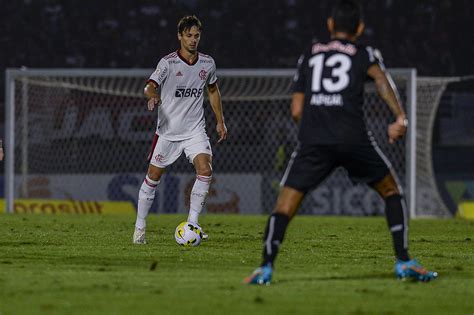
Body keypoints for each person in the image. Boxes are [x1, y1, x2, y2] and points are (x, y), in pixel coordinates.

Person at [244, 0, 437, 284]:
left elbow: (296, 110)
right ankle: (404, 261)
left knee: (284, 207)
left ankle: (265, 268)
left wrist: (316, 130)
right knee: (391, 191)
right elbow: (382, 82)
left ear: (330, 25)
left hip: (314, 142)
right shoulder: (365, 52)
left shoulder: (310, 54)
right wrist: (400, 118)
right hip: (352, 138)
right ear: (359, 28)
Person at [133, 15, 227, 244]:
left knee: (205, 170)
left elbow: (213, 91)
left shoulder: (207, 63)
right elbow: (149, 86)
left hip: (195, 131)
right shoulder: (168, 63)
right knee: (152, 178)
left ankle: (193, 223)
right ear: (180, 36)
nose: (193, 40)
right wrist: (153, 96)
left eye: (196, 36)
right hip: (168, 133)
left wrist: (220, 120)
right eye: (189, 36)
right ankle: (139, 228)